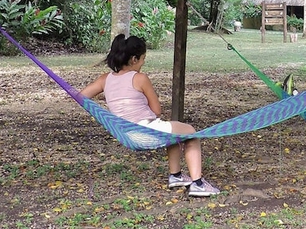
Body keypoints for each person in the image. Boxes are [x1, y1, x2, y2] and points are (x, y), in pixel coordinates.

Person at [80, 34, 219, 197]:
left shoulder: (105, 79)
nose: (143, 63)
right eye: (143, 59)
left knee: (173, 132)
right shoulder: (140, 78)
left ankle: (176, 176)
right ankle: (198, 184)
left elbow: (81, 96)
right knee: (190, 133)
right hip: (146, 130)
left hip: (127, 134)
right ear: (134, 59)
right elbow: (157, 111)